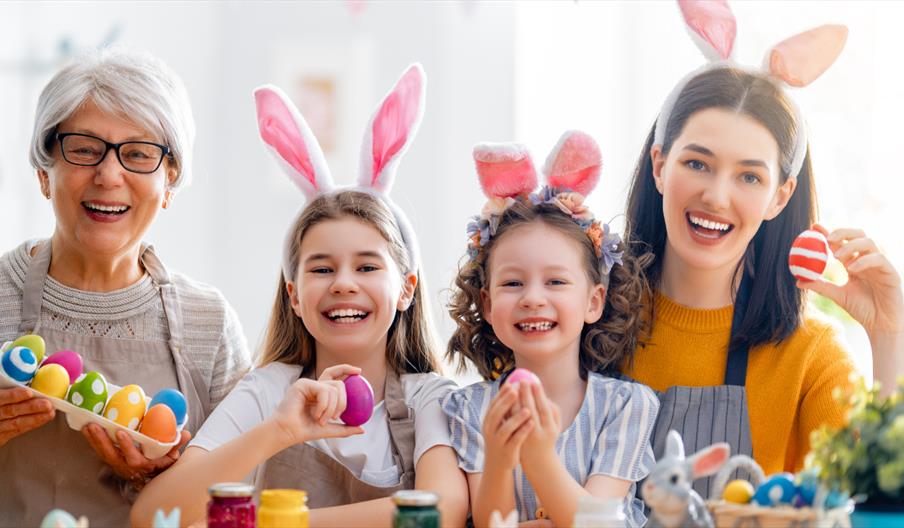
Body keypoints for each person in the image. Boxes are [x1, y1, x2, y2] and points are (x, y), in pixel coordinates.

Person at [133, 65, 469, 528]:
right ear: (294, 295)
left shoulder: (431, 399)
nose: (343, 283)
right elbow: (154, 515)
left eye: (367, 266)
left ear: (406, 289)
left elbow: (442, 509)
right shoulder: (268, 393)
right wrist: (282, 430)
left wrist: (285, 521)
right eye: (322, 268)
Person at [620, 1, 904, 495]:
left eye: (749, 175)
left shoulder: (808, 354)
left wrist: (889, 337)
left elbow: (876, 498)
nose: (717, 196)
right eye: (697, 164)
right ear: (660, 166)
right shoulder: (583, 316)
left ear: (780, 196)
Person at [0, 47, 251, 526]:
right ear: (43, 171)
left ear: (170, 180)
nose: (108, 175)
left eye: (138, 154)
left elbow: (241, 498)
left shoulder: (209, 322)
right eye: (83, 149)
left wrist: (159, 481)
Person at [442, 131, 659, 527]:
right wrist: (499, 458)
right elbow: (494, 522)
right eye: (512, 283)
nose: (532, 298)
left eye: (556, 282)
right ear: (488, 304)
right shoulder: (469, 409)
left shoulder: (627, 406)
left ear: (594, 302)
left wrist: (538, 458)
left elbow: (598, 523)